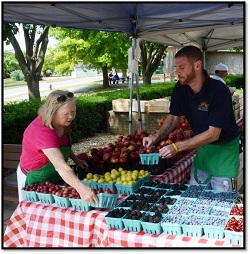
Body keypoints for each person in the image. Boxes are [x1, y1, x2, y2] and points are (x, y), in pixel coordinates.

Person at [143, 46, 239, 192]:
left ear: (197, 65)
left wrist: (177, 147)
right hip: (203, 152)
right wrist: (156, 136)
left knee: (222, 206)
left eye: (181, 67)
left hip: (224, 154)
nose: (177, 72)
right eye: (176, 68)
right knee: (193, 198)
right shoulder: (181, 88)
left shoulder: (218, 91)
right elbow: (174, 117)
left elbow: (214, 133)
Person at [17, 90, 99, 204]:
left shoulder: (62, 123)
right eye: (66, 114)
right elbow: (60, 166)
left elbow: (62, 145)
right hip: (34, 178)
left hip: (53, 175)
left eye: (73, 111)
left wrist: (76, 159)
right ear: (52, 112)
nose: (71, 116)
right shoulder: (42, 132)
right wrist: (81, 188)